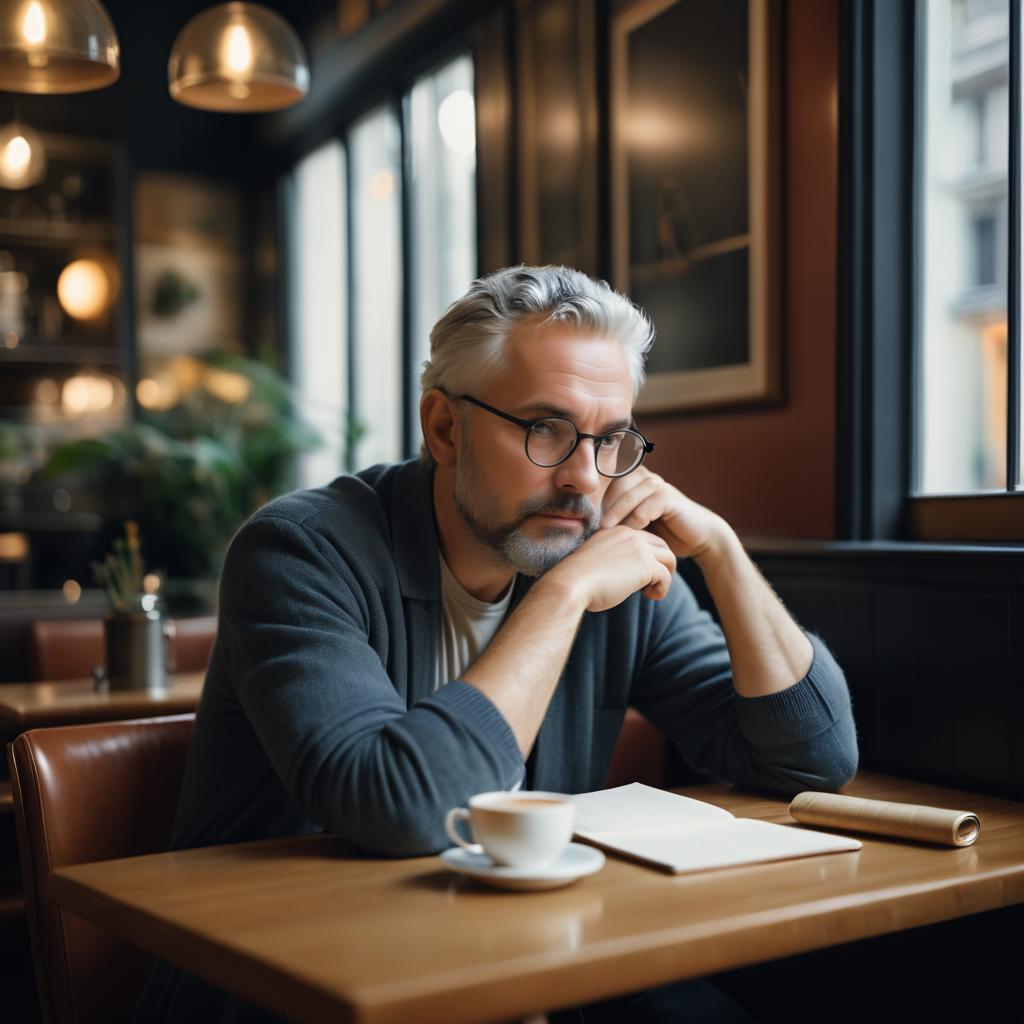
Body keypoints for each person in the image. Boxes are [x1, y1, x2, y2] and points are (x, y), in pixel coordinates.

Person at [135, 266, 857, 1022]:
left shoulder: (607, 550)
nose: (586, 479)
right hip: (296, 981)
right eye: (546, 429)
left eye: (612, 440)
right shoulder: (300, 551)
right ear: (444, 427)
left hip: (517, 957)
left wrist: (722, 552)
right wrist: (564, 595)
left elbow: (810, 759)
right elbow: (398, 806)